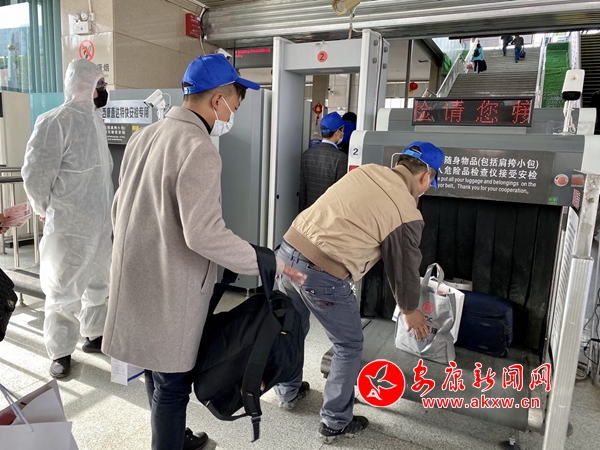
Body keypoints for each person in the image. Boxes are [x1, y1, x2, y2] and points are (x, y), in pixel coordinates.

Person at [102, 54, 306, 450]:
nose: (232, 115)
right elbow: (204, 234)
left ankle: (172, 438)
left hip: (136, 276)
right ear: (217, 100)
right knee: (173, 385)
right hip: (170, 287)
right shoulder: (199, 147)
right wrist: (270, 262)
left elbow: (119, 207)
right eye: (234, 106)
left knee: (156, 370)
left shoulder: (145, 136)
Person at [274, 142, 444, 444]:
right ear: (425, 176)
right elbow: (403, 268)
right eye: (431, 182)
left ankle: (287, 391)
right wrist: (409, 309)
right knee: (349, 344)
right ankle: (334, 423)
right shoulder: (406, 211)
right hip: (321, 271)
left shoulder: (367, 171)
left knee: (292, 326)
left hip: (287, 252)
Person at [22, 59, 113, 379]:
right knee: (64, 289)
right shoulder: (54, 121)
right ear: (82, 85)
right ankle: (60, 351)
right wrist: (43, 209)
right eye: (99, 85)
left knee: (100, 282)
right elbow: (35, 174)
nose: (103, 91)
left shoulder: (96, 121)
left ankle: (94, 334)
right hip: (69, 224)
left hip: (99, 221)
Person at [299, 112, 348, 210]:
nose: (343, 133)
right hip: (329, 212)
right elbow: (341, 193)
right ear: (337, 132)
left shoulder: (307, 154)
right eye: (342, 130)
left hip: (309, 211)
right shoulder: (341, 158)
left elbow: (302, 189)